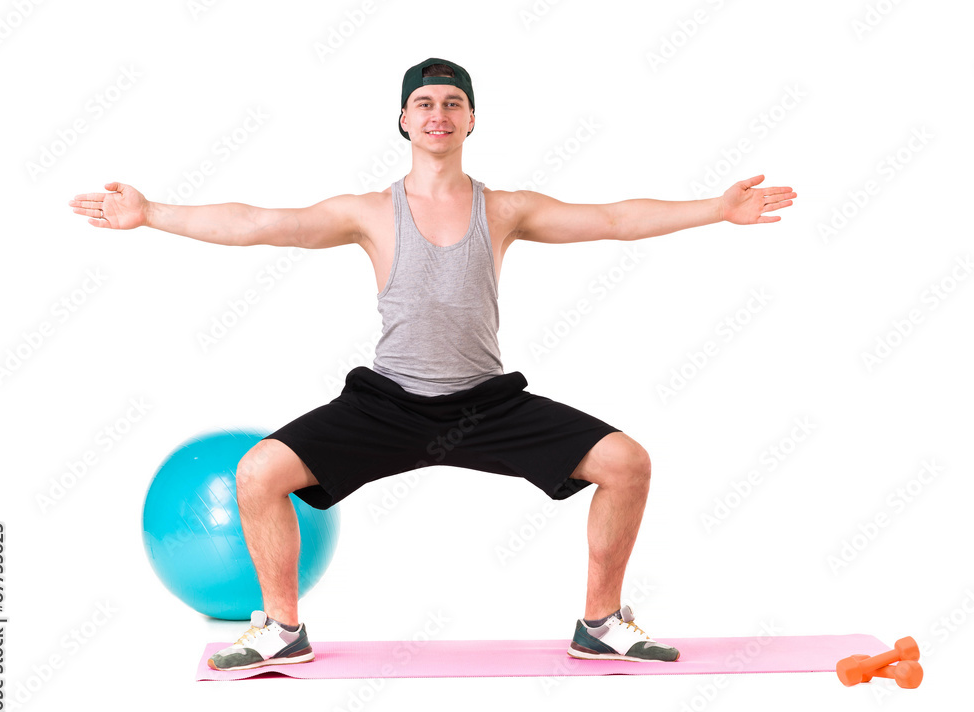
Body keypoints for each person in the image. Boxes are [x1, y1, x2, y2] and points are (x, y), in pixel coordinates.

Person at [69, 57, 796, 672]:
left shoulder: (504, 208)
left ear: (472, 120)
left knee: (626, 461)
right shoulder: (369, 211)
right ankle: (282, 630)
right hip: (386, 403)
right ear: (404, 121)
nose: (438, 113)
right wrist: (152, 212)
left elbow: (612, 218)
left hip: (488, 403)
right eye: (424, 103)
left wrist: (716, 209)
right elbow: (261, 223)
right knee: (259, 470)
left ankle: (599, 623)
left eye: (453, 103)